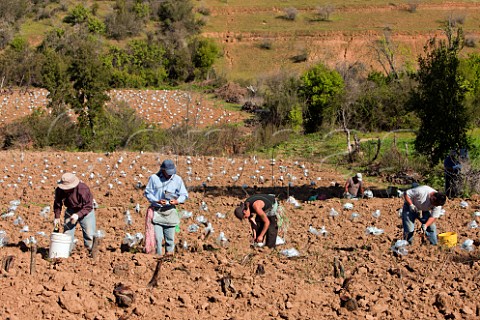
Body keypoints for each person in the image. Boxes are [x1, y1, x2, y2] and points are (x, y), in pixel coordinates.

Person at [144, 159, 188, 256]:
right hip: (157, 212)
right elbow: (147, 193)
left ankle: (169, 259)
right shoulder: (154, 178)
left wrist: (177, 200)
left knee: (170, 239)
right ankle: (157, 258)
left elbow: (184, 194)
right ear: (163, 170)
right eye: (168, 172)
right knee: (158, 239)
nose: (170, 175)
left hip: (170, 211)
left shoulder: (177, 179)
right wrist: (156, 200)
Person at [53, 172, 96, 249]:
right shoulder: (59, 190)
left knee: (89, 235)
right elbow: (57, 204)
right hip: (71, 210)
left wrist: (78, 215)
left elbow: (89, 206)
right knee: (67, 234)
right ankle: (66, 254)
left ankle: (90, 254)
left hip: (86, 211)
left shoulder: (83, 189)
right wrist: (57, 217)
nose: (65, 190)